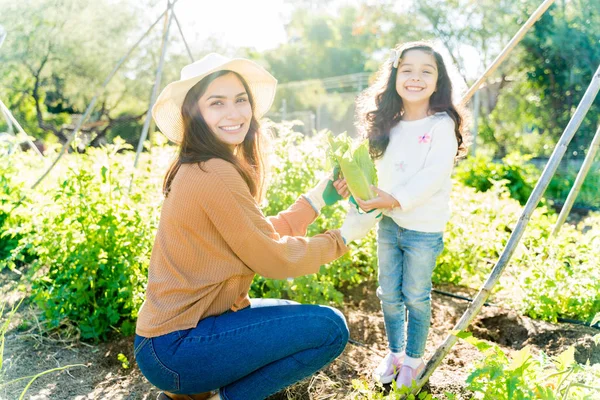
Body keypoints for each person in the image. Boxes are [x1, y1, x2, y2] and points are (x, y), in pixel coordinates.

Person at [133, 53, 381, 400]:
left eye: (240, 100)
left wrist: (317, 199)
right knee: (328, 329)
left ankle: (191, 394)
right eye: (217, 103)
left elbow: (257, 236)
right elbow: (273, 259)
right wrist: (344, 236)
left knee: (292, 316)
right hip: (177, 347)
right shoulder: (213, 172)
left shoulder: (203, 167)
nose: (234, 113)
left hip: (169, 344)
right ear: (195, 112)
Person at [352, 42, 469, 389]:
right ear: (394, 77)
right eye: (407, 69)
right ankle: (396, 352)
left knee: (415, 296)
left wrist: (394, 198)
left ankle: (414, 362)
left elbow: (432, 177)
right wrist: (355, 183)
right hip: (388, 223)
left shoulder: (441, 125)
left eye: (426, 71)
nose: (415, 77)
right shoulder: (391, 123)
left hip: (422, 229)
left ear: (438, 82)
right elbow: (376, 170)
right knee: (389, 293)